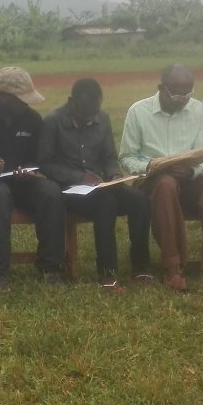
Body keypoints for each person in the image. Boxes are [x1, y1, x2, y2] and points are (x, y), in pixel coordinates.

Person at [119, 64, 203, 292]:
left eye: (188, 92)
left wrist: (192, 170)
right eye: (176, 92)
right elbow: (126, 157)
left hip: (189, 177)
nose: (183, 98)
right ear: (161, 88)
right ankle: (174, 266)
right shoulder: (138, 111)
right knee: (166, 184)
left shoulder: (198, 109)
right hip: (154, 181)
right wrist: (152, 166)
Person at [39, 78, 150, 291]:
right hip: (69, 192)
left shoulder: (103, 119)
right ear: (71, 101)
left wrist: (115, 175)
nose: (90, 117)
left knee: (139, 199)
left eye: (94, 112)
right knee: (105, 202)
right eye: (84, 112)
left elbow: (109, 157)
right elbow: (46, 164)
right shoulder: (52, 122)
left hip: (100, 186)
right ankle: (107, 275)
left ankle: (141, 266)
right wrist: (78, 177)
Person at [0, 67, 66, 286]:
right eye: (20, 99)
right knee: (0, 195)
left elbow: (38, 158)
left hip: (22, 182)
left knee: (50, 191)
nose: (25, 104)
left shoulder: (32, 119)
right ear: (4, 96)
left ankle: (51, 267)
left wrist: (29, 170)